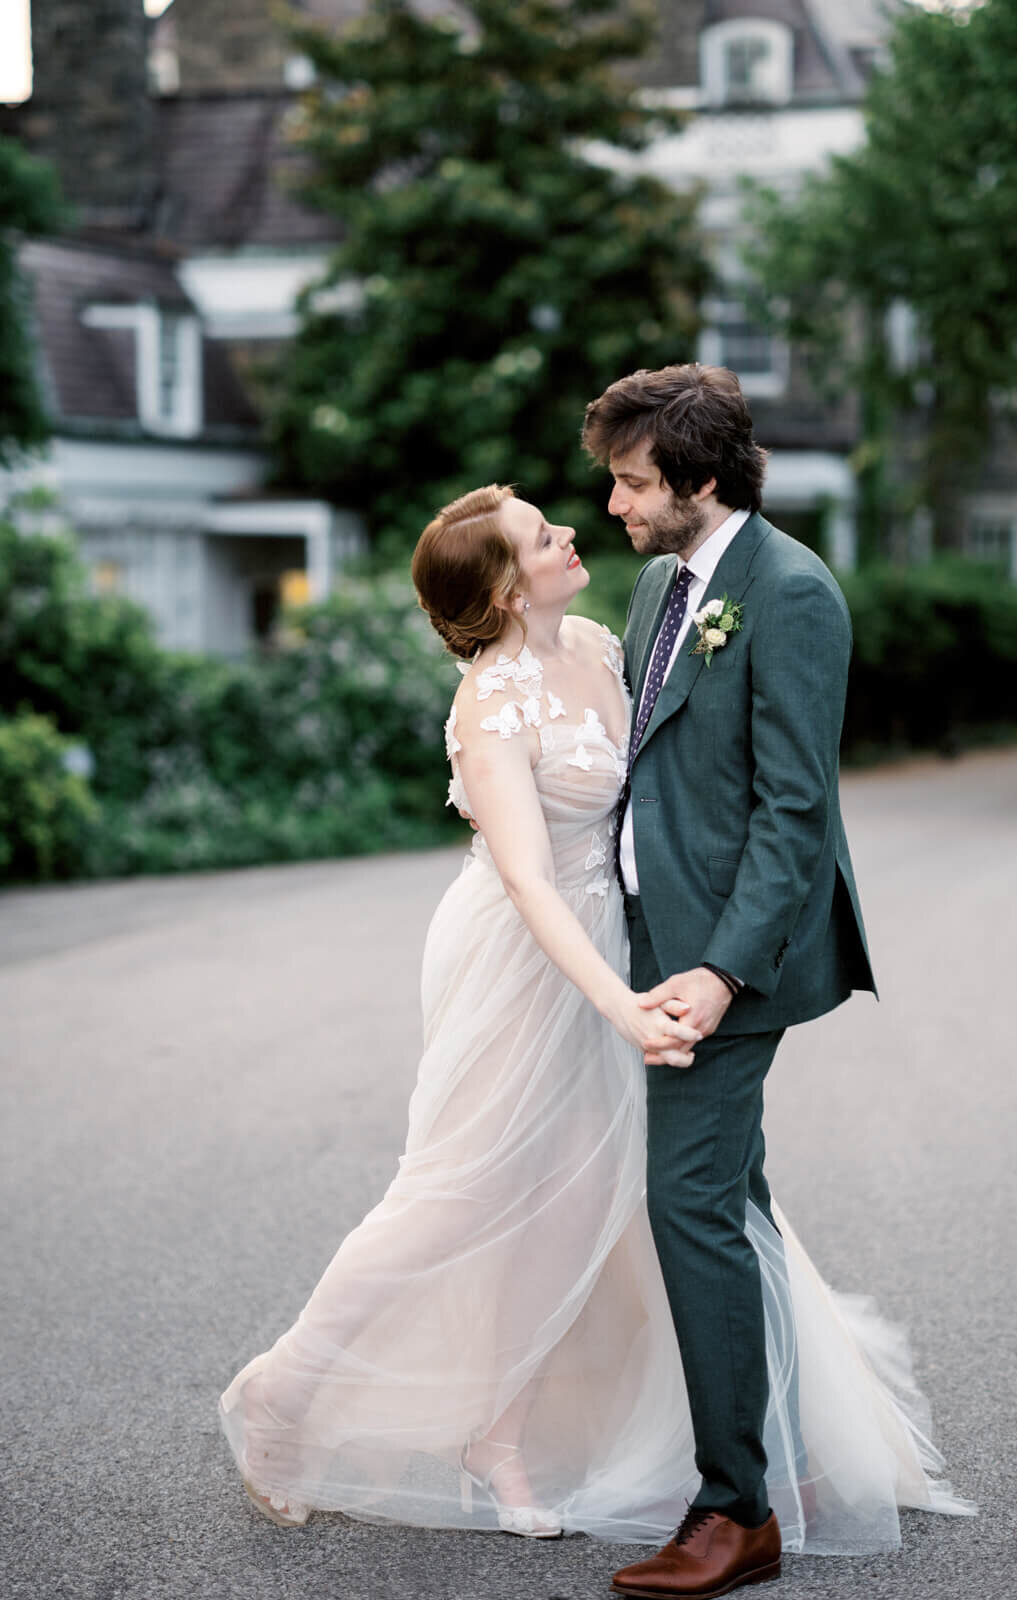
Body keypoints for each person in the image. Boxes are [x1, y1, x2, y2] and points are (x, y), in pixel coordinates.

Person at [218, 439, 973, 1567]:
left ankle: (501, 1434)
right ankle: (285, 1391)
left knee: (579, 1203)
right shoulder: (491, 702)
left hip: (626, 943)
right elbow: (527, 880)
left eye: (569, 515)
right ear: (507, 587)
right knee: (454, 1192)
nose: (576, 527)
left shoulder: (607, 639)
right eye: (542, 535)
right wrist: (621, 1005)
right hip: (529, 960)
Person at [579, 363, 975, 1599]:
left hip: (732, 963)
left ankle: (733, 1508)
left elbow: (796, 812)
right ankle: (788, 1446)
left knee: (688, 1203)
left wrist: (715, 970)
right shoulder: (656, 588)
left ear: (702, 481)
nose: (614, 506)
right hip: (654, 944)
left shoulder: (794, 593)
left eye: (635, 483)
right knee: (732, 1204)